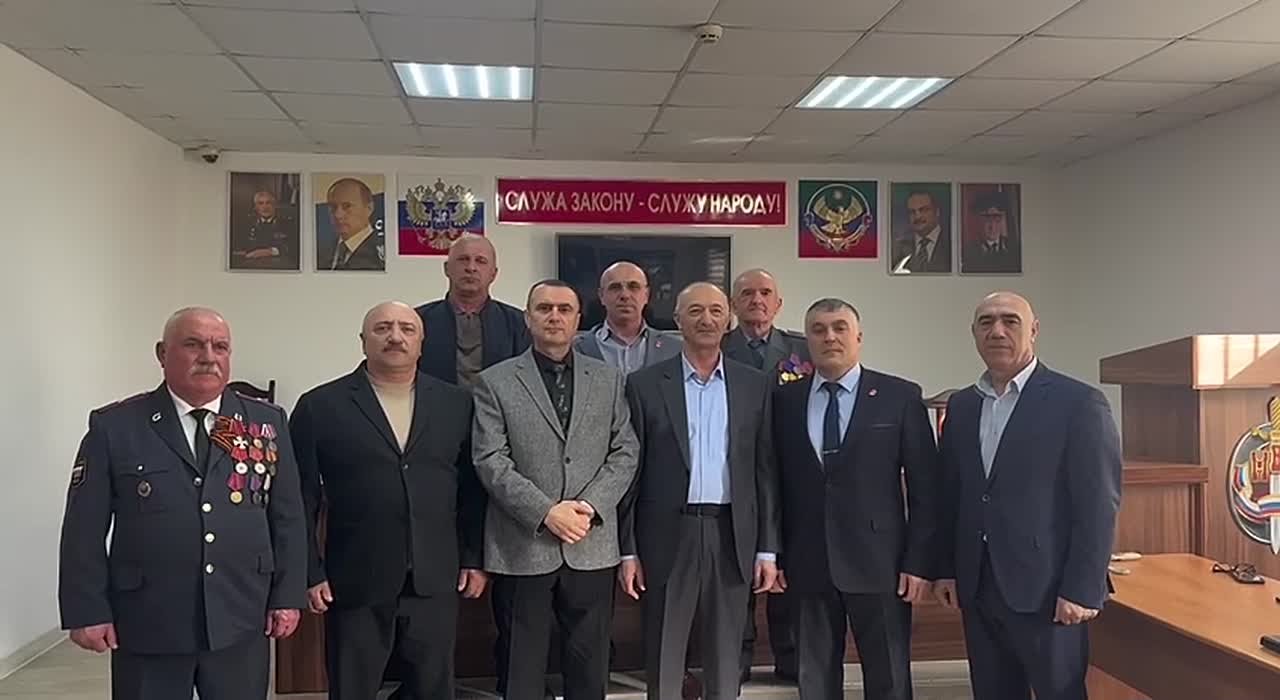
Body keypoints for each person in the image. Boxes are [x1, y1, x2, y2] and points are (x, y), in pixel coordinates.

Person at [57, 307, 307, 699]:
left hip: (241, 614)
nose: (208, 356)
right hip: (148, 619)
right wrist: (87, 610)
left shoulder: (264, 423)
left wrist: (288, 597)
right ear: (162, 353)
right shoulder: (117, 426)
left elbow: (288, 517)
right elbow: (83, 528)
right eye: (193, 345)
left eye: (220, 346)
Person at [290, 301, 487, 699]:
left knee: (432, 689)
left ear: (421, 342)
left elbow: (472, 490)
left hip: (435, 578)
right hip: (355, 579)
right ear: (363, 341)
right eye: (382, 328)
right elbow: (299, 499)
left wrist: (473, 558)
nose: (395, 337)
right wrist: (309, 571)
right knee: (353, 688)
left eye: (406, 329)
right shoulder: (319, 406)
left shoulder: (457, 404)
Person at [934, 292, 1122, 700]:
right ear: (973, 333)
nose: (997, 331)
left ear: (1034, 330)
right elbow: (952, 495)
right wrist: (947, 569)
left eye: (1010, 321)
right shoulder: (962, 406)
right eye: (986, 322)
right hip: (979, 587)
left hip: (1048, 591)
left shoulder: (1079, 403)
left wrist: (1082, 587)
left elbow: (1098, 504)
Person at [471, 279, 639, 700]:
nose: (554, 316)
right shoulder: (494, 382)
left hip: (590, 542)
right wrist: (546, 512)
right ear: (528, 318)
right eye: (544, 308)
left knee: (589, 667)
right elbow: (490, 459)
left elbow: (625, 451)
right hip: (522, 545)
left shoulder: (610, 380)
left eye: (564, 309)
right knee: (521, 668)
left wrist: (588, 506)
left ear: (578, 320)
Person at [620, 282, 780, 700]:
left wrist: (767, 549)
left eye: (715, 311)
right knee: (664, 651)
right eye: (695, 311)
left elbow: (765, 471)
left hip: (732, 532)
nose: (706, 319)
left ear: (728, 320)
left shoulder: (755, 385)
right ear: (677, 321)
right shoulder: (644, 384)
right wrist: (628, 550)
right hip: (667, 534)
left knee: (727, 654)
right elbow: (630, 473)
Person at [774, 298, 939, 700]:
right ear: (807, 340)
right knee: (814, 680)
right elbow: (775, 483)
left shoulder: (899, 396)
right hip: (808, 561)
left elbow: (926, 489)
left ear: (859, 337)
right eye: (818, 330)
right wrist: (774, 553)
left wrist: (918, 562)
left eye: (839, 328)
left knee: (888, 678)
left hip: (881, 563)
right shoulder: (783, 401)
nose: (829, 337)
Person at [720, 267, 806, 684]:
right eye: (747, 293)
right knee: (736, 571)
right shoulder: (717, 346)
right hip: (734, 473)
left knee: (790, 569)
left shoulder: (803, 348)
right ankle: (736, 659)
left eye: (765, 293)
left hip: (792, 475)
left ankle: (790, 657)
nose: (757, 300)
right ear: (733, 304)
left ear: (778, 303)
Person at [416, 234, 529, 389]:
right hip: (434, 404)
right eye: (463, 259)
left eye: (481, 261)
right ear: (446, 269)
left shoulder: (518, 323)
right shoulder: (418, 321)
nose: (471, 268)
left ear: (493, 274)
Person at [575, 260, 682, 373]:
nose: (625, 295)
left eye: (633, 287)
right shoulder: (577, 348)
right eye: (615, 287)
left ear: (646, 295)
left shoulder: (674, 349)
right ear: (601, 296)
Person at [321, 177, 384, 271]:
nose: (338, 215)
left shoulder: (381, 254)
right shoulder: (322, 251)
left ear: (369, 208)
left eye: (347, 206)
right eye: (333, 207)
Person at [233, 189, 296, 270]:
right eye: (260, 203)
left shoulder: (287, 224)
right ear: (256, 207)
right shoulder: (247, 225)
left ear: (275, 205)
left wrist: (270, 251)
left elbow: (292, 247)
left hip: (279, 266)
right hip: (252, 266)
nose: (265, 207)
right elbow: (241, 247)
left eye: (268, 203)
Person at [891, 190, 951, 274]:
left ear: (937, 212)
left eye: (923, 210)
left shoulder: (953, 243)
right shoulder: (897, 247)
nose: (917, 216)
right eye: (912, 212)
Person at [960, 192, 1020, 274]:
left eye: (997, 220)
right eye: (987, 220)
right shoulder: (967, 253)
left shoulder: (1014, 249)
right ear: (978, 222)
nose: (993, 226)